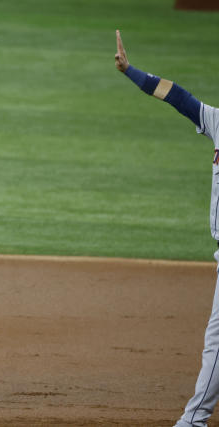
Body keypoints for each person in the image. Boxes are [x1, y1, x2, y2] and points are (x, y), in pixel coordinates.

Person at [116, 29, 219, 427]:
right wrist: (130, 71)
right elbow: (178, 97)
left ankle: (193, 420)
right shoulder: (216, 121)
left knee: (216, 343)